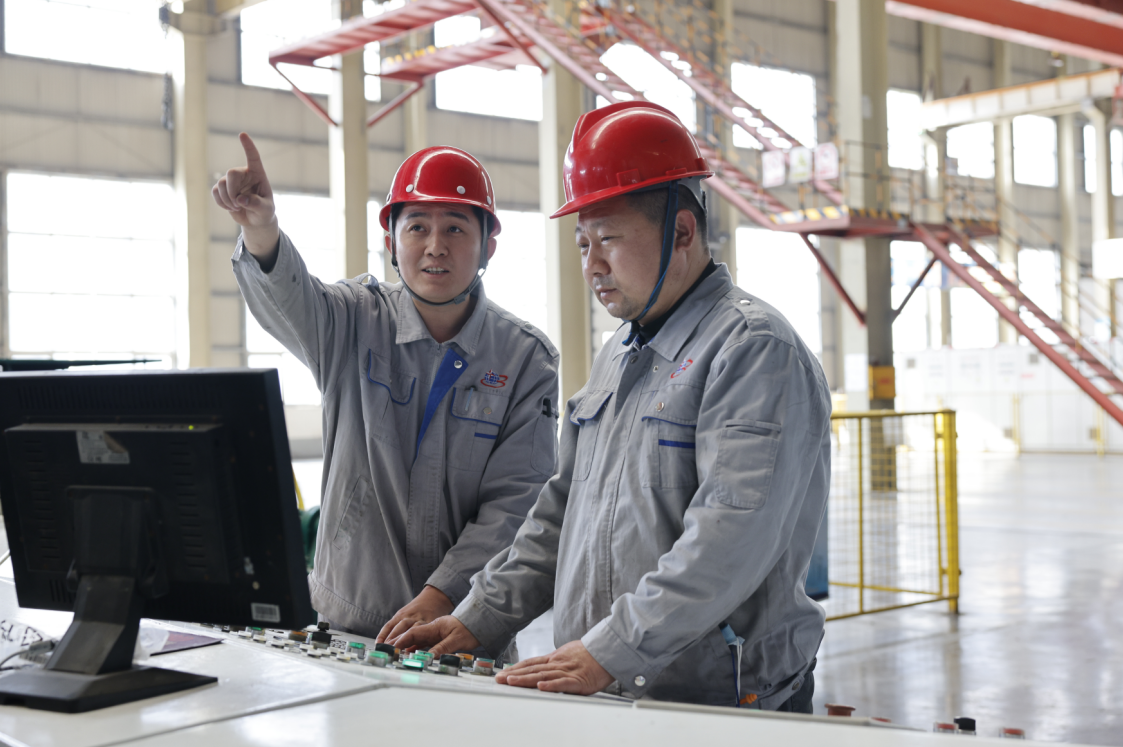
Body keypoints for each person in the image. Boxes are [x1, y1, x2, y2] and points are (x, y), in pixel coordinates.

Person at [393, 102, 831, 710]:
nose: (591, 266)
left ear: (682, 232)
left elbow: (729, 540)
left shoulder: (753, 351)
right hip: (610, 690)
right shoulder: (620, 354)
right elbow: (558, 516)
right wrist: (478, 618)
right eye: (582, 243)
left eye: (608, 240)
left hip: (717, 702)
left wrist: (612, 649)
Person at [213, 134, 560, 649]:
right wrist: (261, 228)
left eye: (456, 227)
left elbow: (516, 502)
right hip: (348, 625)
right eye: (417, 226)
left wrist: (443, 594)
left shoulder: (524, 359)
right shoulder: (353, 320)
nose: (435, 245)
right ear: (392, 241)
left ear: (488, 245)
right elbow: (290, 301)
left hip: (462, 634)